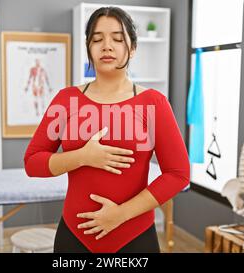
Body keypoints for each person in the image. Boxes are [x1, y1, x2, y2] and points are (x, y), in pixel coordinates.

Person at [24, 6, 190, 253]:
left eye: (118, 39)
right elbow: (32, 163)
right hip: (74, 237)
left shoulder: (153, 102)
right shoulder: (66, 100)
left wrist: (121, 214)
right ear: (89, 48)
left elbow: (178, 174)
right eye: (97, 39)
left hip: (134, 238)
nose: (107, 46)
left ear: (132, 48)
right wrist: (82, 157)